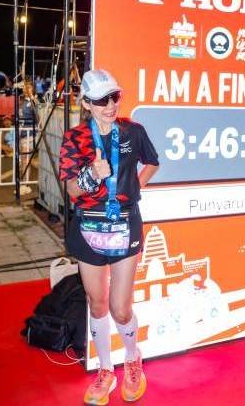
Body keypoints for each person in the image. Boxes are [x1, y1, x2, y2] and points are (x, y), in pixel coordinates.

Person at [59, 69, 159, 405]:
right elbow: (72, 190)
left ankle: (132, 358)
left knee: (120, 308)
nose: (111, 105)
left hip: (125, 227)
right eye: (102, 100)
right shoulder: (75, 138)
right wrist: (91, 174)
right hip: (88, 228)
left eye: (114, 96)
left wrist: (134, 189)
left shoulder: (133, 131)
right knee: (97, 303)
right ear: (87, 103)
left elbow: (153, 162)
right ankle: (105, 370)